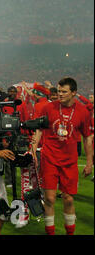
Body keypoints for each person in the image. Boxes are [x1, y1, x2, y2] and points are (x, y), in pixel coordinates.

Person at [30, 77, 94, 235]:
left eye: (64, 92)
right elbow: (39, 129)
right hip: (49, 158)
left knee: (69, 198)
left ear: (74, 93)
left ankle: (69, 232)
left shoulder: (83, 112)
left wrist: (89, 162)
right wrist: (33, 147)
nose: (60, 94)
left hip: (70, 161)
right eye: (58, 91)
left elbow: (87, 138)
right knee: (50, 198)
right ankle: (50, 232)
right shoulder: (48, 108)